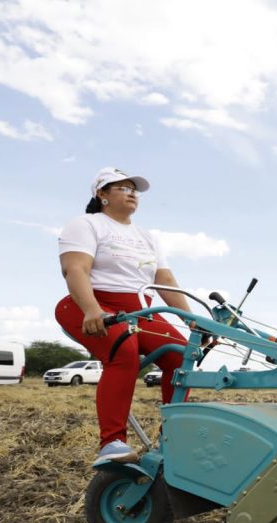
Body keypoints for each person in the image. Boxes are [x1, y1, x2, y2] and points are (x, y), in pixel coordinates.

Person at [55, 167, 193, 465]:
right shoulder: (87, 224)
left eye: (134, 189)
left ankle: (174, 437)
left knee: (183, 358)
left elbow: (165, 281)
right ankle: (112, 443)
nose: (131, 193)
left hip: (143, 309)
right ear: (101, 194)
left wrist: (193, 321)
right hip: (94, 302)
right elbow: (75, 269)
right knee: (124, 352)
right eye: (121, 187)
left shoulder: (148, 237)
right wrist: (92, 308)